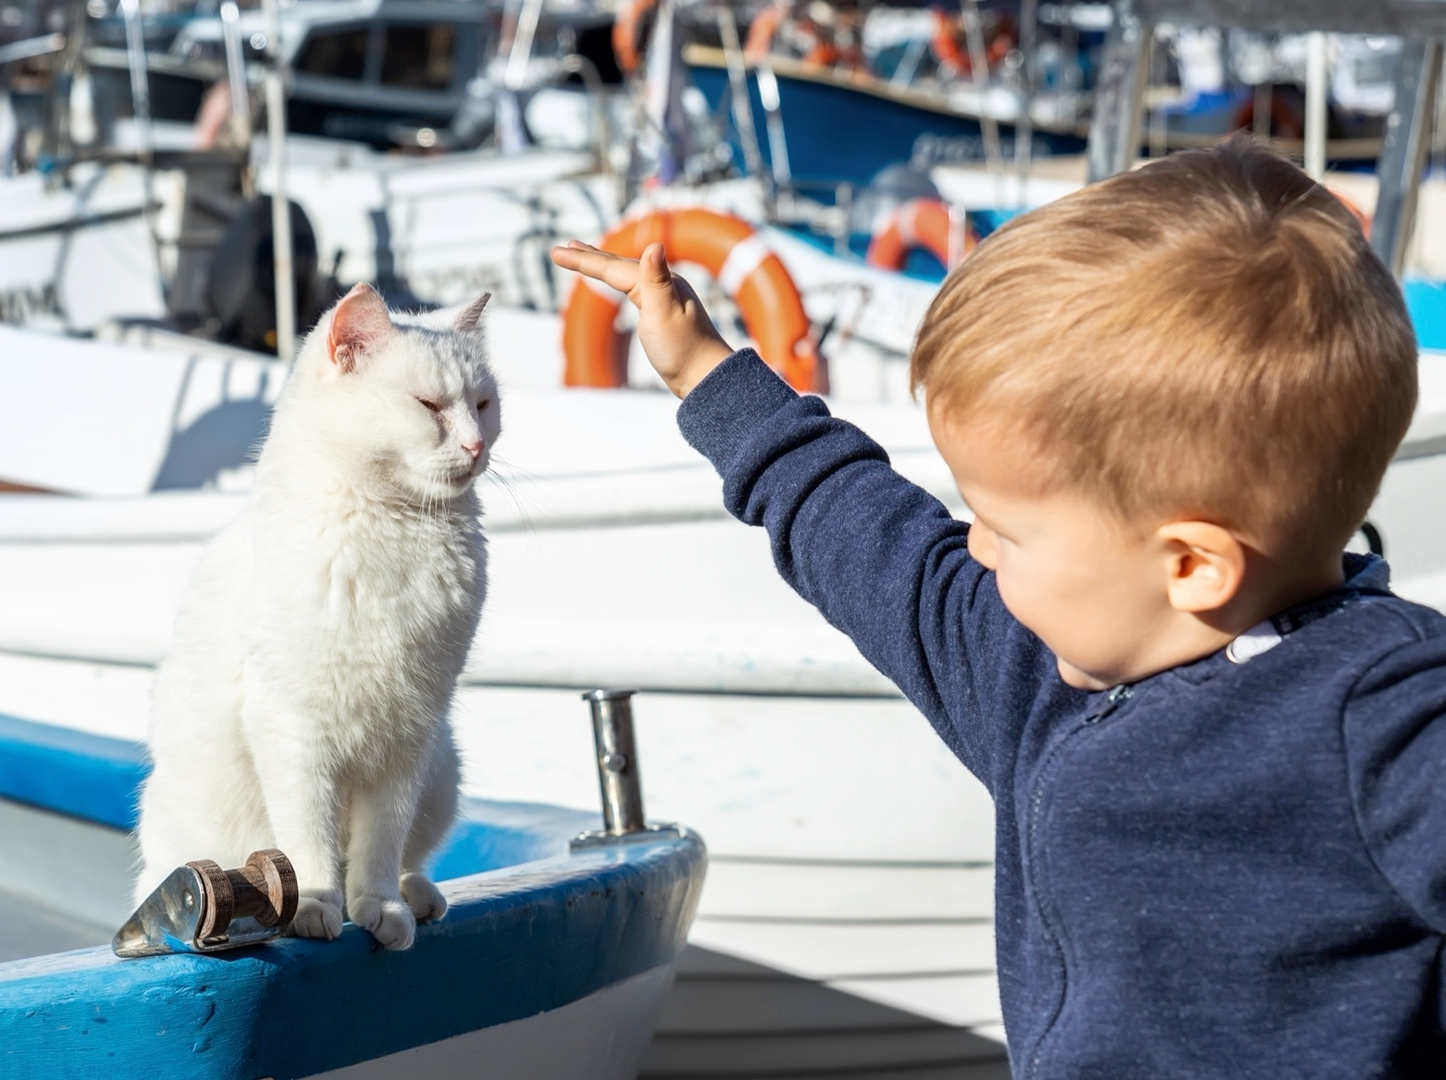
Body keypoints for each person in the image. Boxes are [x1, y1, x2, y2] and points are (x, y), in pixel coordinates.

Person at [551, 138, 1445, 1077]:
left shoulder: (1383, 720)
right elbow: (873, 544)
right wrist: (705, 371)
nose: (973, 547)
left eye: (1004, 530)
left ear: (1191, 564)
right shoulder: (1038, 674)